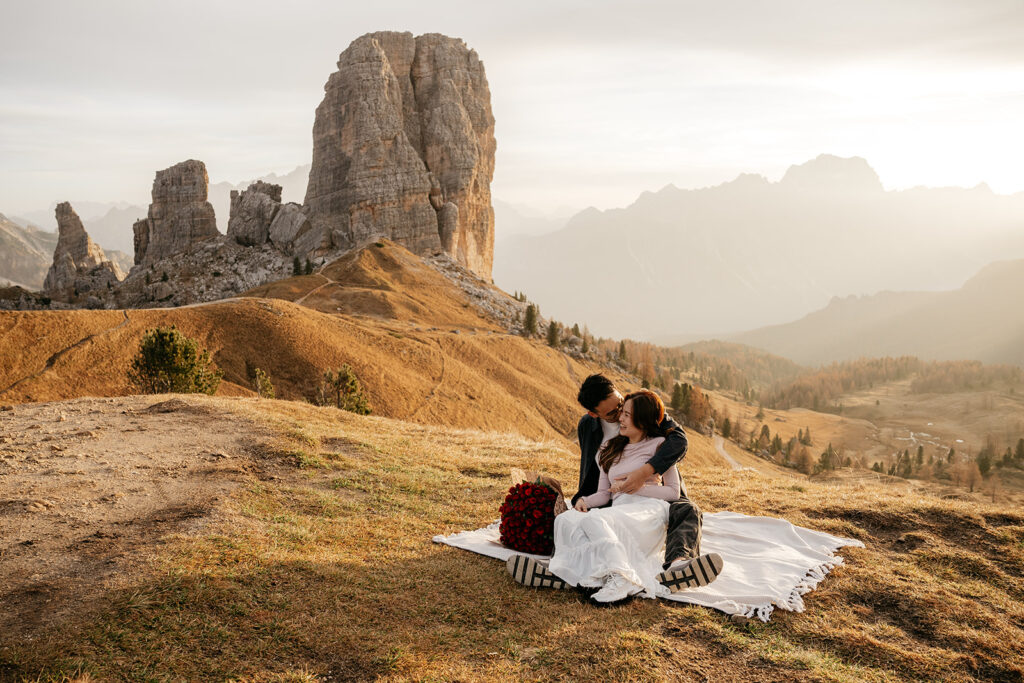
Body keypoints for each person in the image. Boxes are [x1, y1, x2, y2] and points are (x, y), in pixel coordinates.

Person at [507, 375, 722, 598]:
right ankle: (565, 572)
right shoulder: (599, 439)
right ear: (594, 414)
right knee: (566, 521)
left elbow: (679, 443)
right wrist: (584, 500)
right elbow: (593, 472)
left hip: (650, 502)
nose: (620, 415)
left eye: (622, 407)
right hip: (617, 502)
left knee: (687, 510)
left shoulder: (646, 415)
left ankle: (664, 568)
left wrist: (640, 477)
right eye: (614, 413)